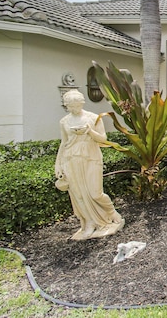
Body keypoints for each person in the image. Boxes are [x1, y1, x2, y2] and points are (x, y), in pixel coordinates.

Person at [55, 90, 124, 240]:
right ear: (67, 106)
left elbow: (103, 139)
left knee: (95, 192)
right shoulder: (64, 121)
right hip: (71, 159)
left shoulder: (93, 118)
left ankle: (111, 212)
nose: (74, 109)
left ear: (82, 103)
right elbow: (63, 143)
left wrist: (90, 131)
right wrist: (58, 164)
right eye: (71, 107)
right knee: (78, 194)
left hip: (91, 158)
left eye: (76, 106)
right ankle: (88, 223)